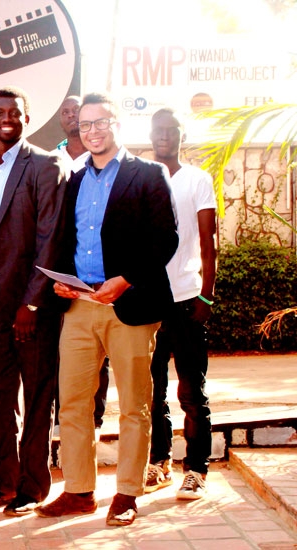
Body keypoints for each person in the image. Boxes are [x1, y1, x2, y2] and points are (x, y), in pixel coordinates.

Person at [35, 92, 178, 527]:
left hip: (129, 304)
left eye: (100, 123)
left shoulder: (148, 174)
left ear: (117, 124)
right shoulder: (75, 180)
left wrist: (126, 278)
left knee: (134, 405)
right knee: (74, 405)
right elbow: (66, 239)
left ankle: (128, 493)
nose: (92, 131)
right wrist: (59, 279)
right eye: (85, 125)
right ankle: (79, 490)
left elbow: (164, 239)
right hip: (80, 307)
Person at [0, 87, 67, 516]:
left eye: (14, 112)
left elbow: (50, 239)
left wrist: (32, 304)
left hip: (29, 301)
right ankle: (2, 483)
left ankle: (33, 485)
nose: (6, 118)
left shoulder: (46, 165)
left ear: (27, 117)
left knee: (38, 393)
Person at [146, 108, 217, 500]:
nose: (165, 136)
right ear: (151, 135)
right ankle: (160, 463)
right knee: (152, 392)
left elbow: (209, 244)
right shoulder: (141, 175)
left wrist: (206, 295)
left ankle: (197, 469)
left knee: (192, 392)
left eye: (172, 131)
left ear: (181, 136)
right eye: (159, 130)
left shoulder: (197, 179)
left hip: (188, 300)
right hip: (151, 303)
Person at [51, 95, 108, 437]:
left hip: (104, 284)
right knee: (67, 356)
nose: (73, 117)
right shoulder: (53, 159)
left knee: (102, 359)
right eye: (68, 112)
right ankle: (64, 420)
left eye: (80, 113)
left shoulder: (105, 160)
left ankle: (97, 416)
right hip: (65, 279)